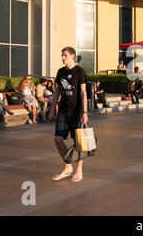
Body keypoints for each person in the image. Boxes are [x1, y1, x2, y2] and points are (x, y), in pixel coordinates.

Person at [49, 46, 88, 183]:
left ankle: (79, 170)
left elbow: (83, 92)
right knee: (57, 139)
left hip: (76, 113)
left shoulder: (80, 72)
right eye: (62, 55)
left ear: (72, 56)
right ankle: (67, 166)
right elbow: (57, 92)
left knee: (79, 142)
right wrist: (52, 108)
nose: (62, 57)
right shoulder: (60, 72)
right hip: (63, 112)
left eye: (65, 55)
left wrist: (84, 111)